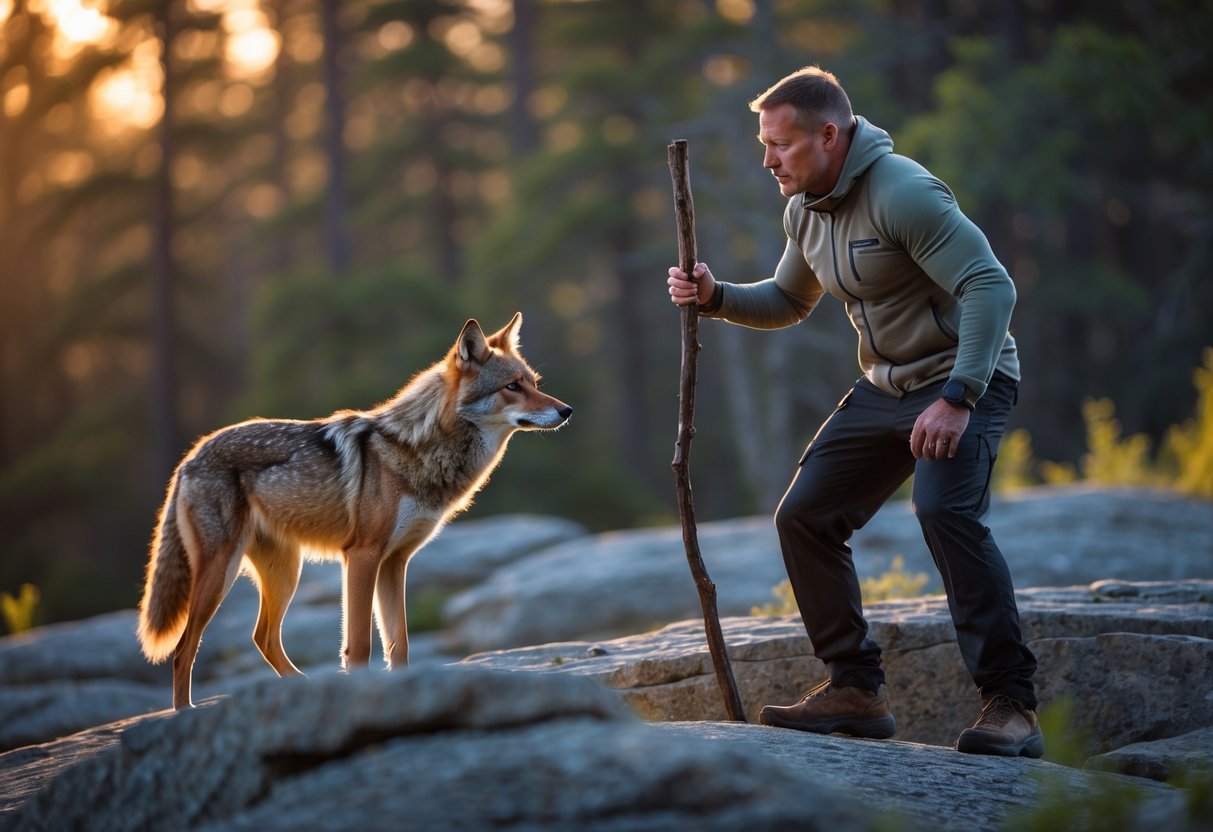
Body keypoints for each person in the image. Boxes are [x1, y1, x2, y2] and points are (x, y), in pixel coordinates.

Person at [666, 65, 1042, 758]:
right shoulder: (803, 208)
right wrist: (715, 296)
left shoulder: (905, 193)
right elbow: (787, 301)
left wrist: (958, 398)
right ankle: (855, 689)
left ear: (828, 135)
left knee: (944, 511)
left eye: (779, 144)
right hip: (884, 389)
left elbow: (990, 284)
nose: (766, 159)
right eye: (763, 143)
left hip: (964, 380)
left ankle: (1010, 704)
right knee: (803, 516)